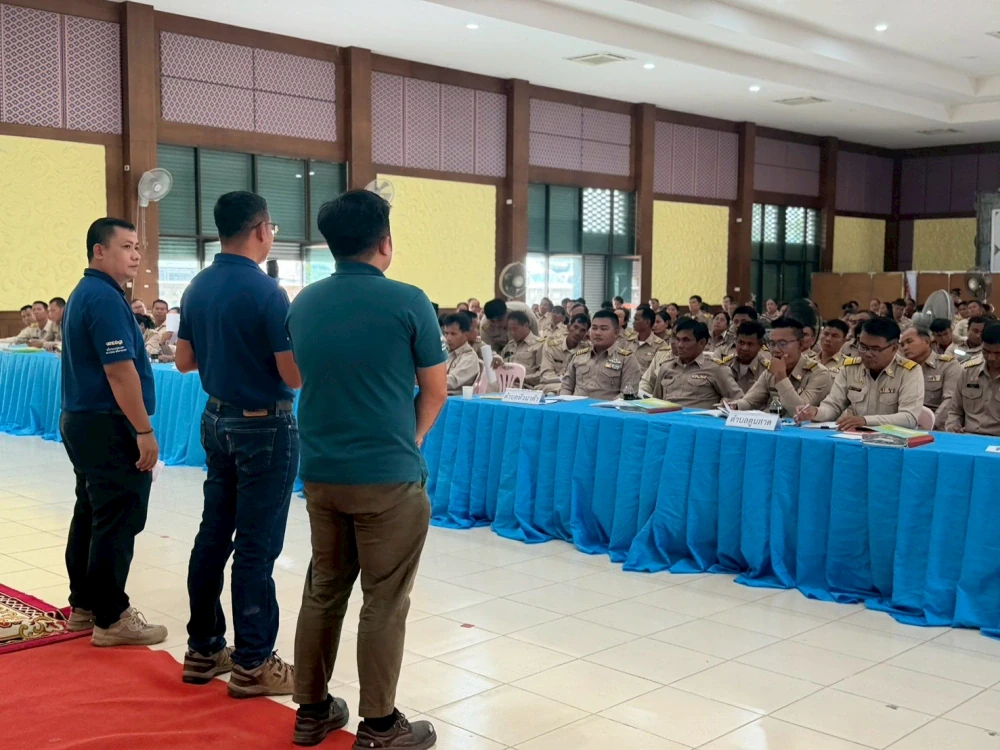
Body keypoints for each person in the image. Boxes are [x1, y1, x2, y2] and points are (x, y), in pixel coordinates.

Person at [286, 190, 444, 749]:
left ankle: (311, 710)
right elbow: (435, 389)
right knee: (384, 599)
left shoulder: (303, 303)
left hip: (322, 472)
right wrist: (411, 438)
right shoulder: (409, 301)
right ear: (385, 242)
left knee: (323, 589)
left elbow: (302, 375)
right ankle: (379, 726)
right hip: (387, 476)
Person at [175, 192, 302, 699]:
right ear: (262, 230)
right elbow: (292, 374)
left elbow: (184, 361)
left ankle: (204, 648)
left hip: (217, 418)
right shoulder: (268, 292)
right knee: (256, 545)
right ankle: (253, 661)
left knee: (213, 534)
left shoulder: (198, 286)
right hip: (264, 426)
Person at [60, 217, 166, 647]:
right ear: (99, 251)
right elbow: (120, 372)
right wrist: (143, 430)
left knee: (91, 510)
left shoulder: (90, 293)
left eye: (137, 246)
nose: (136, 255)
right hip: (106, 422)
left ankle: (84, 605)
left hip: (84, 419)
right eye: (126, 246)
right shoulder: (103, 298)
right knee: (118, 516)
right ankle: (111, 617)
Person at [796, 317, 924, 429]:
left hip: (894, 441)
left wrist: (865, 421)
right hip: (855, 437)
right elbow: (833, 406)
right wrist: (815, 412)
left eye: (875, 349)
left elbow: (909, 418)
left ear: (894, 348)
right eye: (863, 346)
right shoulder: (850, 368)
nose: (867, 354)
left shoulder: (909, 371)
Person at [731, 317, 832, 415]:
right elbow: (750, 401)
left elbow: (799, 412)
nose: (776, 350)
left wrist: (781, 376)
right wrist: (735, 405)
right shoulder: (770, 371)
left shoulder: (819, 373)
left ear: (800, 344)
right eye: (772, 344)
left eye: (782, 344)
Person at [642, 317, 743, 407]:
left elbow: (739, 400)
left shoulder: (716, 369)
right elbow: (656, 402)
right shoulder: (666, 367)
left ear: (701, 343)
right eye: (678, 339)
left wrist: (727, 403)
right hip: (667, 419)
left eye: (686, 340)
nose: (680, 345)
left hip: (699, 420)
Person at [560, 310, 640, 400]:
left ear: (616, 333)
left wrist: (606, 406)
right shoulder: (579, 356)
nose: (597, 333)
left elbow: (627, 394)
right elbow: (566, 386)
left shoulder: (627, 359)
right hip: (575, 407)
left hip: (608, 408)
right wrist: (566, 403)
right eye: (594, 328)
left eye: (603, 329)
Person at [900, 327, 959, 430]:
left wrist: (930, 425)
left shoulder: (948, 366)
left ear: (927, 341)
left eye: (909, 342)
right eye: (902, 345)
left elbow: (950, 401)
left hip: (936, 427)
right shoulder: (901, 370)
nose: (905, 347)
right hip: (905, 425)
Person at [947, 323, 1000, 436]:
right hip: (968, 436)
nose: (991, 358)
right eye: (986, 351)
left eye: (998, 353)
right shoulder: (968, 371)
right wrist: (953, 427)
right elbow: (955, 411)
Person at [538, 313, 590, 393]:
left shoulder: (587, 350)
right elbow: (546, 375)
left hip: (575, 388)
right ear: (568, 327)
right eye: (575, 327)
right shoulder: (552, 346)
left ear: (586, 333)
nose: (577, 333)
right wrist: (566, 383)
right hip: (552, 385)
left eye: (582, 330)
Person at [498, 310, 544, 386]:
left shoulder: (539, 345)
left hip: (526, 386)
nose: (512, 332)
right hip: (505, 384)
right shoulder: (509, 346)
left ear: (526, 326)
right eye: (510, 329)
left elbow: (543, 374)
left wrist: (521, 378)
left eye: (515, 329)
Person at [721, 320, 769, 394]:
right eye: (741, 343)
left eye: (750, 344)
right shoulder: (725, 365)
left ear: (760, 346)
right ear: (735, 341)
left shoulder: (767, 370)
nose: (744, 348)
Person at [442, 313, 479, 394]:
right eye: (446, 333)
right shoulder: (444, 351)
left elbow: (452, 381)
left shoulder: (469, 357)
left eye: (453, 334)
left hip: (454, 399)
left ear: (466, 335)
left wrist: (426, 380)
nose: (448, 338)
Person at [629, 307, 665, 374]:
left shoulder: (660, 345)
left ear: (647, 322)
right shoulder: (628, 341)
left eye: (636, 319)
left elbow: (659, 371)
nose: (633, 322)